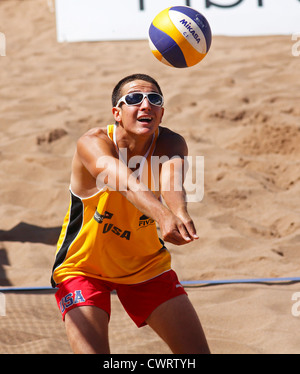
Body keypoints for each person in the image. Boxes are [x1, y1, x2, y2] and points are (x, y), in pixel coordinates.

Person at [51, 73, 210, 354]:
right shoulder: (92, 143)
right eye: (135, 98)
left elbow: (172, 181)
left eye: (155, 100)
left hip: (145, 265)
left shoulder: (171, 143)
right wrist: (162, 215)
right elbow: (124, 182)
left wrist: (180, 212)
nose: (146, 105)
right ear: (117, 112)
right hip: (82, 267)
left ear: (161, 113)